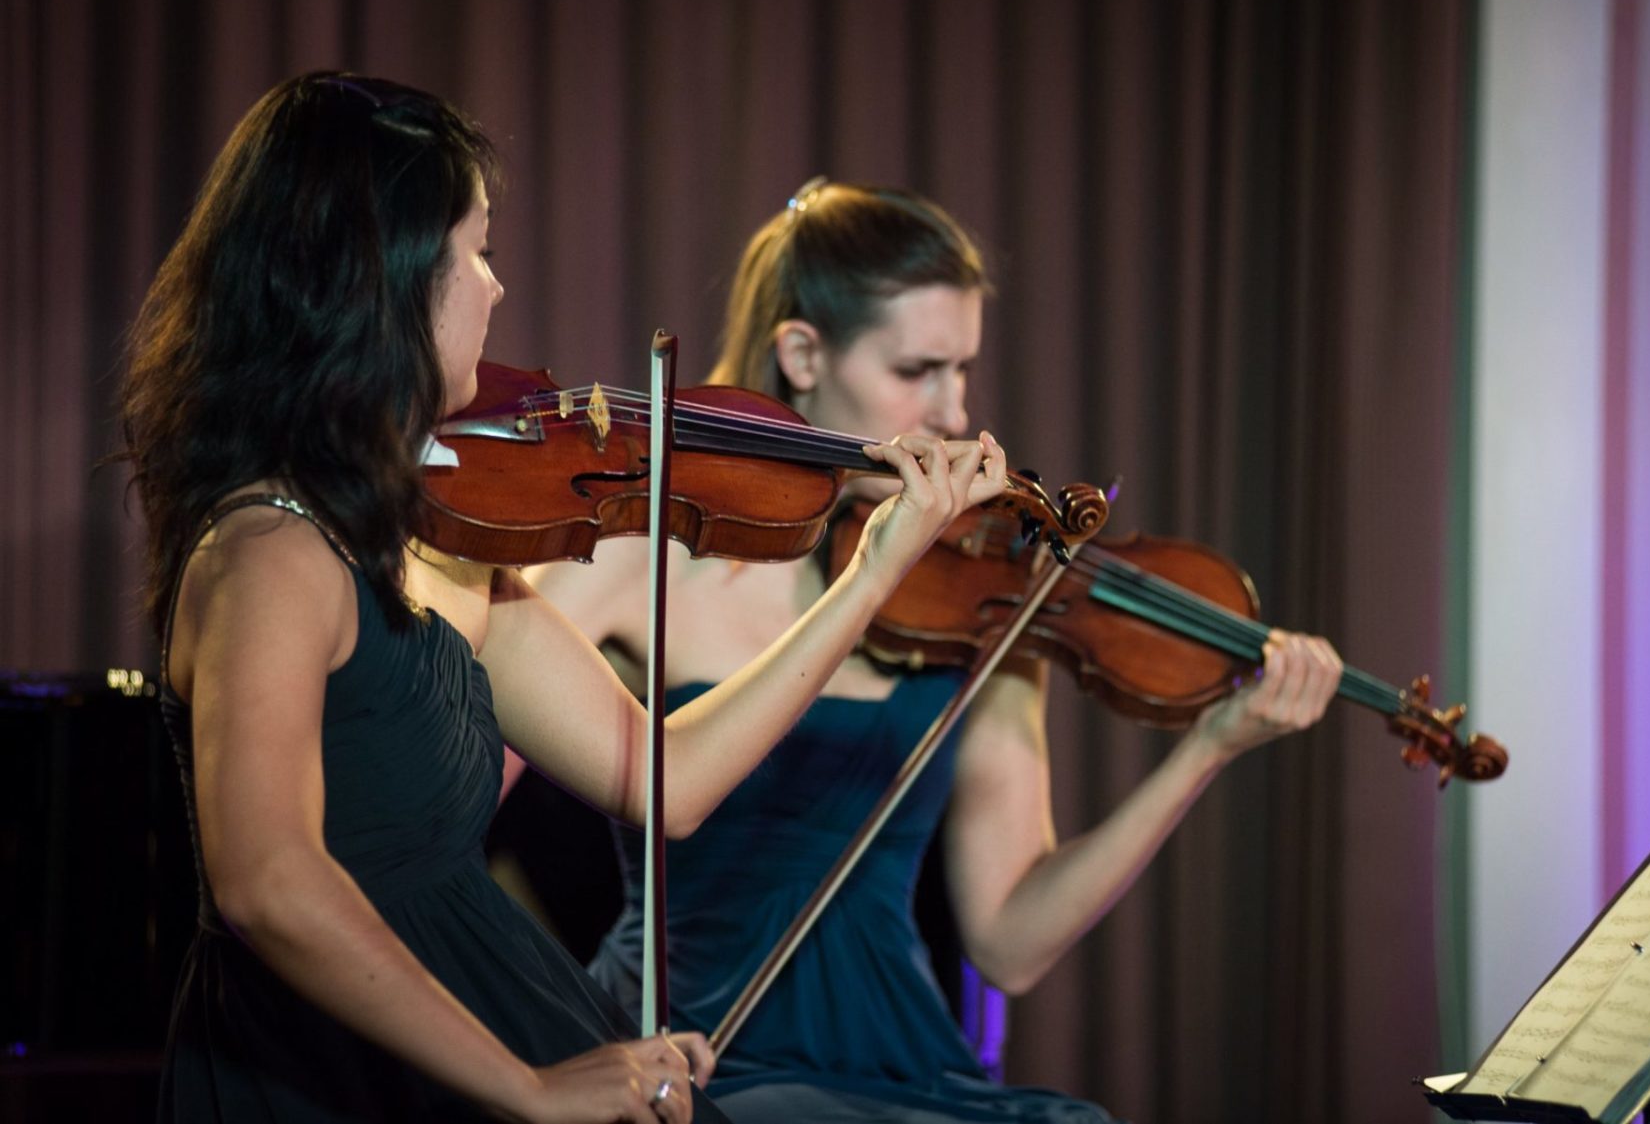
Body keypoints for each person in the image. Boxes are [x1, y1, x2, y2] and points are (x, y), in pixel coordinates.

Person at [120, 78, 1008, 1124]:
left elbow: (664, 781)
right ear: (389, 278)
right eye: (477, 251)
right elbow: (269, 882)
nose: (496, 290)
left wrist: (869, 578)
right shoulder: (270, 551)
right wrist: (531, 1085)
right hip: (335, 1071)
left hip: (481, 1021)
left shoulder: (442, 554)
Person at [525, 181, 1346, 1122]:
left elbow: (1012, 941)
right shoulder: (646, 560)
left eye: (964, 370)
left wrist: (1209, 746)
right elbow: (453, 785)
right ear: (801, 354)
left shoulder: (985, 598)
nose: (956, 413)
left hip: (908, 1067)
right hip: (696, 1057)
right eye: (920, 369)